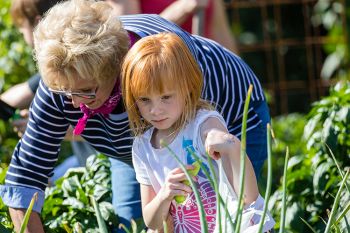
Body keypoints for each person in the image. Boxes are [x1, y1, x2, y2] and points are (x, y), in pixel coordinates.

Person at [0, 0, 270, 232]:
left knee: (215, 215)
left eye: (86, 91)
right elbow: (25, 177)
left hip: (225, 120)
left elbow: (202, 158)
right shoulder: (62, 83)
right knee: (130, 221)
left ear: (116, 71)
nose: (73, 102)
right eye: (63, 91)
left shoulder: (158, 63)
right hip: (141, 142)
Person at [121, 32, 275, 232]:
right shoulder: (143, 147)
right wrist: (165, 194)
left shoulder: (201, 123)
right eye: (144, 100)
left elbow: (248, 197)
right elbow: (153, 221)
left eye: (166, 97)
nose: (155, 110)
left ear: (187, 87)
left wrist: (228, 143)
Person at [106, 0, 238, 52]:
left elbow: (221, 33)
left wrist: (237, 73)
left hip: (205, 74)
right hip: (159, 82)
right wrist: (183, 8)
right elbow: (129, 40)